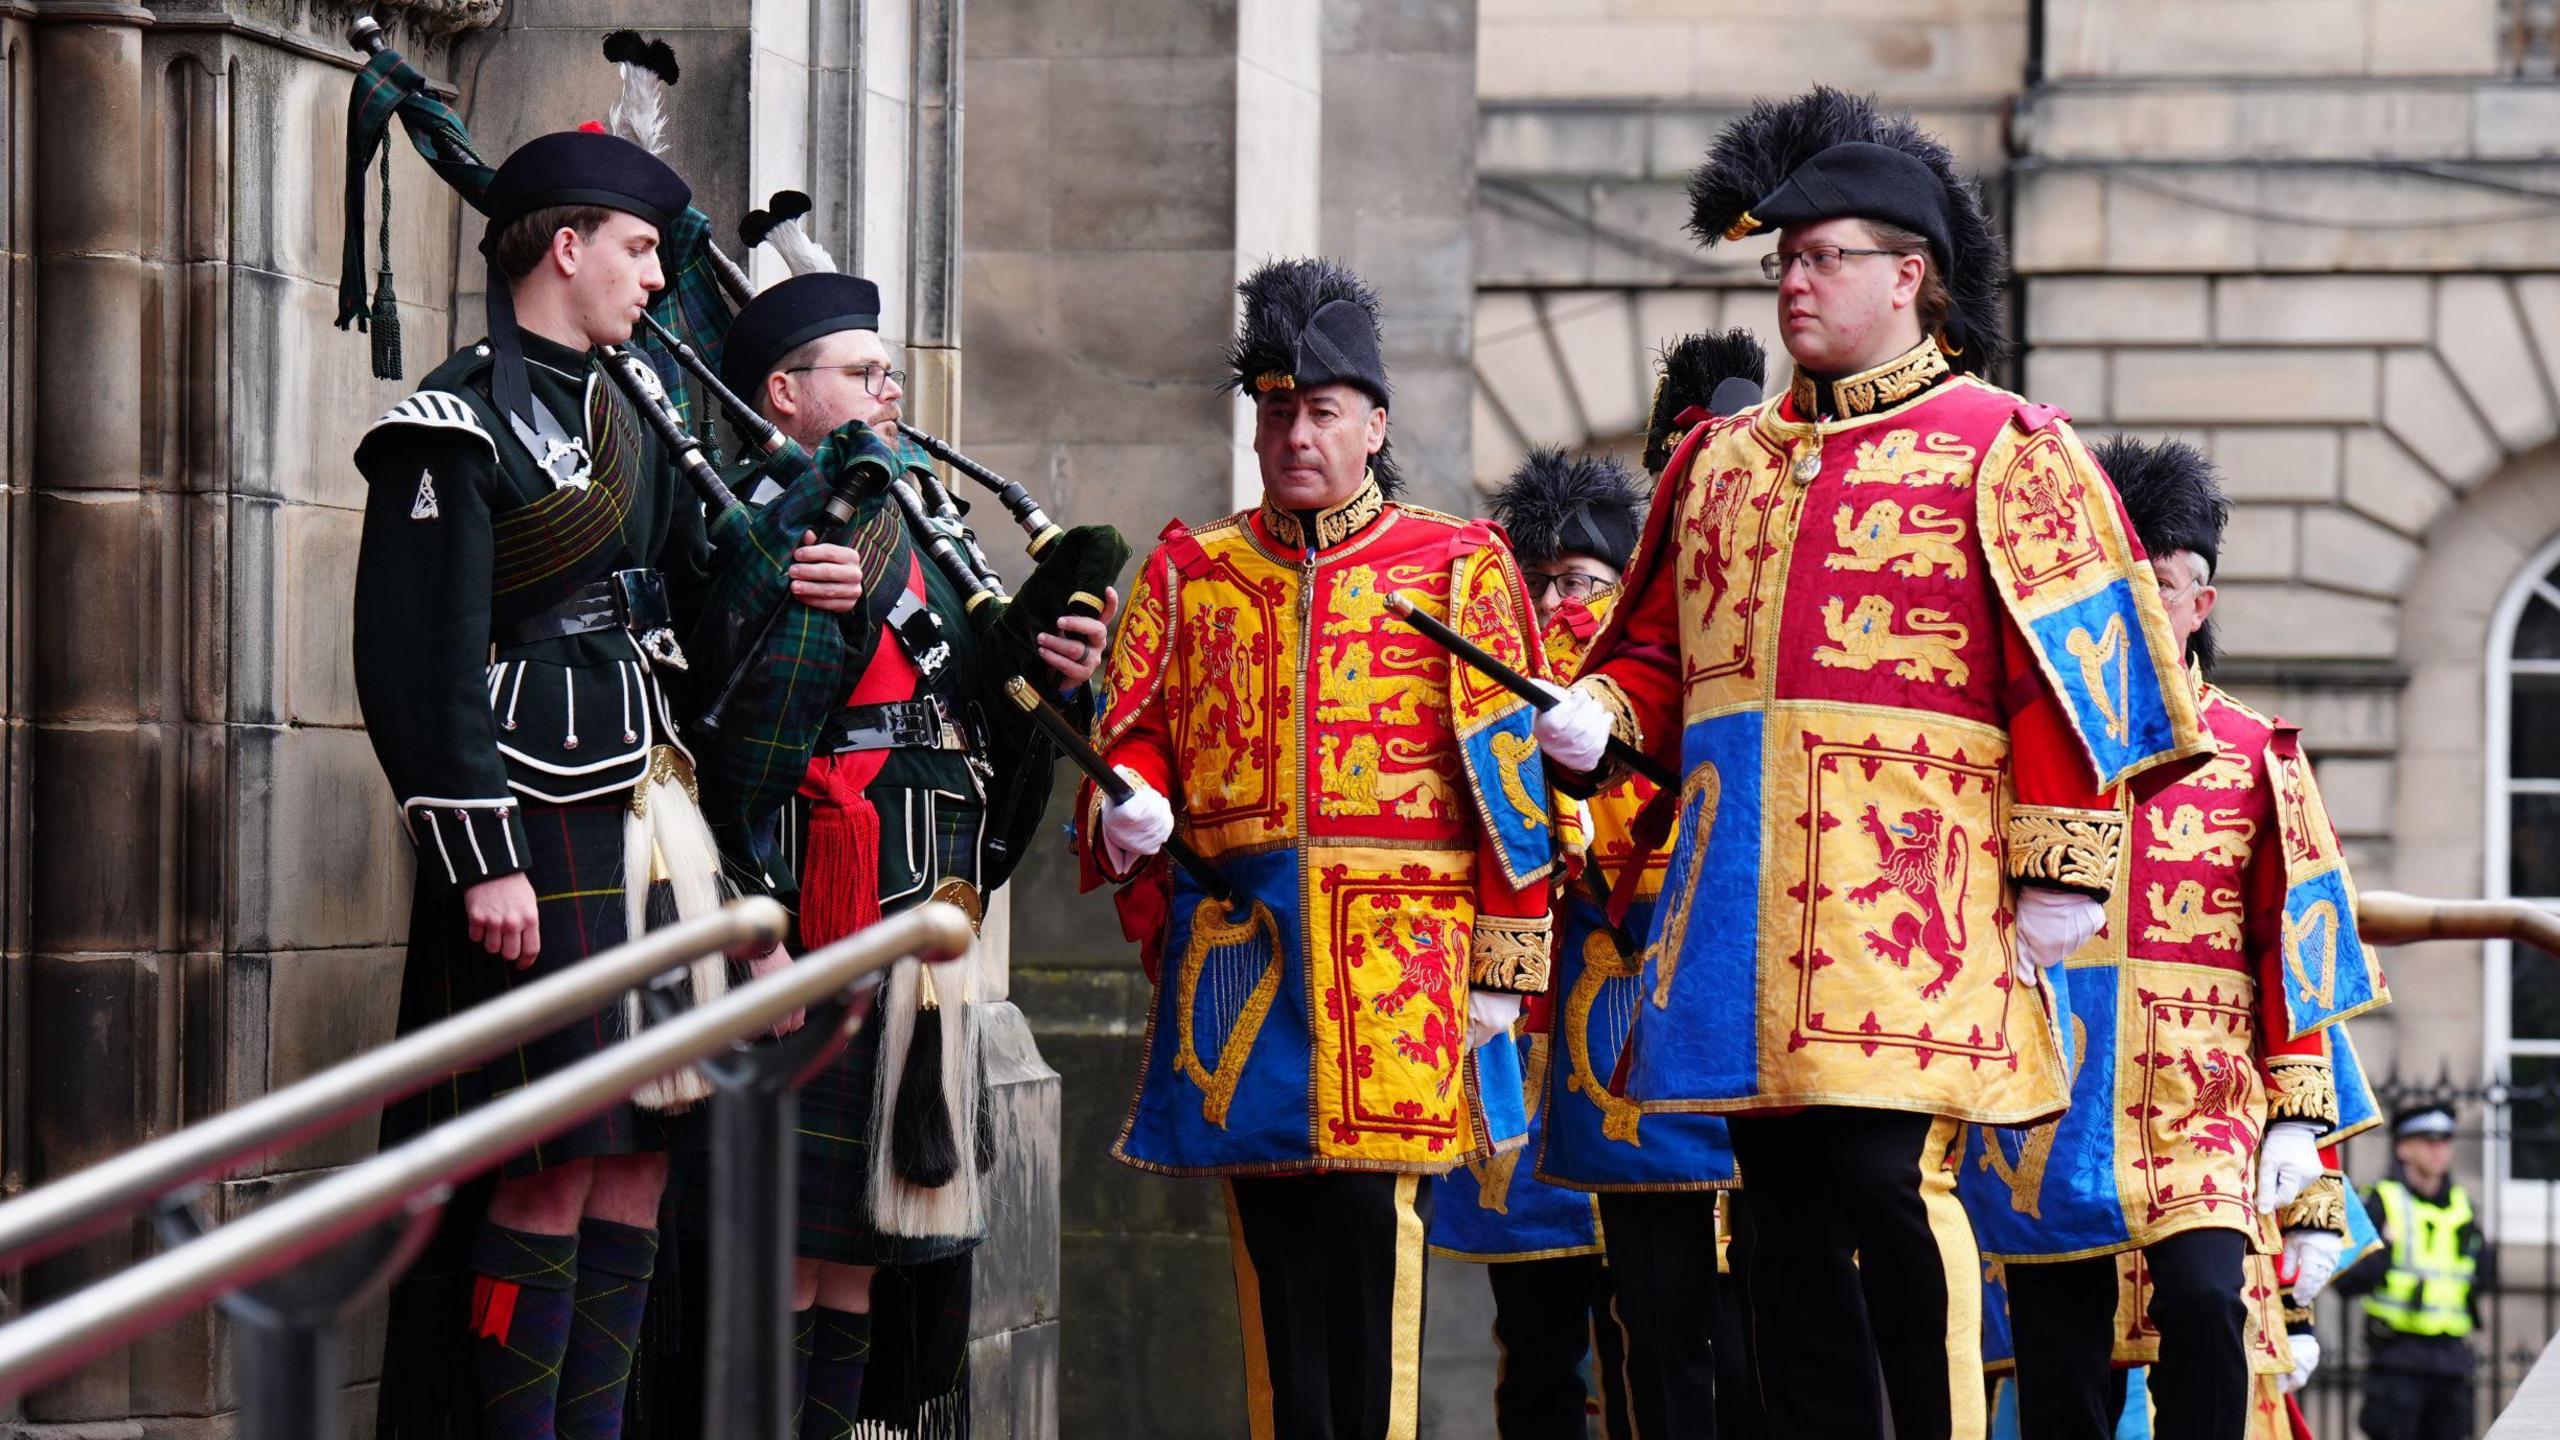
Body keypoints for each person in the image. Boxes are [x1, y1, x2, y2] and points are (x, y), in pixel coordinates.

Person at [1529, 86, 2212, 1439]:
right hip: (1739, 912)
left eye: (1822, 256)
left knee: (1891, 1188)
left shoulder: (2006, 452)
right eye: (1782, 260)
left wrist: (2060, 869)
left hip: (1919, 906)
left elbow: (2078, 682)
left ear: (1909, 278)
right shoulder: (1717, 462)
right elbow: (1660, 651)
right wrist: (1604, 715)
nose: (1794, 281)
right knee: (1777, 1220)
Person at [355, 129, 860, 1440]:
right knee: (546, 1166)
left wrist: (793, 573)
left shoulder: (636, 412)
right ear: (566, 247)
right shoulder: (451, 421)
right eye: (639, 250)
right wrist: (484, 857)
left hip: (652, 802)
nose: (656, 278)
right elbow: (418, 661)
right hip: (541, 809)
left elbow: (697, 605)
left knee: (637, 1161)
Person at [1078, 257, 1553, 1440]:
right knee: (1272, 1280)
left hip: (1402, 981)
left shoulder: (1456, 566)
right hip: (1247, 964)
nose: (1294, 433)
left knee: (1373, 1273)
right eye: (1275, 411)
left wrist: (1505, 956)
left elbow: (1510, 779)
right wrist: (1128, 805)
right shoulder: (1194, 573)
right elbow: (1130, 737)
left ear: (1374, 424)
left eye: (1321, 411)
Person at [694, 256, 1113, 1436]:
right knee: (797, 1244)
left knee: (872, 1243)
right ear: (783, 391)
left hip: (920, 898)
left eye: (888, 369)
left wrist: (1049, 671)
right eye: (863, 370)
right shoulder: (760, 517)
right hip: (827, 898)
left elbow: (980, 714)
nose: (891, 387)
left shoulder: (917, 519)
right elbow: (741, 746)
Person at [1958, 435, 2388, 1440]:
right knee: (2059, 1368)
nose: (2141, 606)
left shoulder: (2252, 751)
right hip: (2049, 1097)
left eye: (2160, 586)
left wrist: (2298, 1119)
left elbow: (2300, 945)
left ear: (2200, 604)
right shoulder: (2032, 736)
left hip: (2201, 1102)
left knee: (2202, 1300)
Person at [1427, 444, 1665, 1440]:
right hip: (1522, 1037)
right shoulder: (1494, 695)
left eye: (1587, 582)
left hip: (1631, 1041)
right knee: (1533, 1340)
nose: (1565, 605)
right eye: (1548, 581)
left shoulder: (1654, 690)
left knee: (1648, 1331)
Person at [2335, 1104, 2489, 1440]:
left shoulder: (2463, 1206)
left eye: (2445, 1141)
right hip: (2397, 1361)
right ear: (2404, 1147)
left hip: (2451, 1360)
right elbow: (2346, 1281)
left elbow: (2481, 1276)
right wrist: (2385, 1250)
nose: (2439, 1150)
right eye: (2428, 1141)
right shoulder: (2379, 1202)